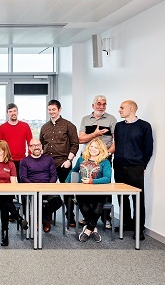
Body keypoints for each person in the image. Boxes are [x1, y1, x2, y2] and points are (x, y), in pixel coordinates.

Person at [113, 100, 153, 241]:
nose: (119, 110)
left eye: (122, 107)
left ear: (131, 109)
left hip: (135, 167)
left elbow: (148, 149)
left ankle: (138, 228)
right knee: (122, 198)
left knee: (137, 199)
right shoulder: (118, 126)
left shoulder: (144, 126)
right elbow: (116, 145)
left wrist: (143, 166)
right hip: (118, 166)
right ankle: (127, 223)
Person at [78, 95, 117, 228]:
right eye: (99, 104)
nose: (101, 106)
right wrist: (95, 134)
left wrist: (106, 155)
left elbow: (115, 141)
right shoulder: (85, 119)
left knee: (104, 187)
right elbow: (81, 139)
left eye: (104, 104)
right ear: (93, 105)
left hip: (105, 158)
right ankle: (88, 217)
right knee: (86, 187)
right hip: (87, 158)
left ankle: (106, 218)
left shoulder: (111, 119)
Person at [40, 100, 79, 227]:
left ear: (59, 110)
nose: (51, 112)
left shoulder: (69, 126)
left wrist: (69, 160)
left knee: (68, 192)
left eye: (54, 109)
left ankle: (70, 216)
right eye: (49, 109)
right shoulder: (44, 127)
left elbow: (75, 144)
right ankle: (47, 217)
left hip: (64, 163)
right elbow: (41, 145)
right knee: (46, 191)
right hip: (47, 165)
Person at [65, 138, 112, 243]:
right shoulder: (82, 159)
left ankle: (87, 230)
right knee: (85, 208)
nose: (93, 149)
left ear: (101, 149)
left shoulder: (105, 162)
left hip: (100, 192)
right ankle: (94, 229)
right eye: (91, 146)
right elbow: (74, 171)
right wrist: (66, 183)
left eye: (96, 147)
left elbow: (107, 178)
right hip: (83, 192)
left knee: (96, 209)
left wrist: (91, 181)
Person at [19, 138, 61, 233]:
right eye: (33, 145)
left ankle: (41, 219)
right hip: (32, 189)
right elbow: (23, 177)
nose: (36, 147)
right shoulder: (24, 161)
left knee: (58, 201)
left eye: (38, 145)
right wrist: (35, 188)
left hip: (47, 188)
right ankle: (45, 220)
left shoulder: (49, 159)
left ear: (41, 146)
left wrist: (48, 187)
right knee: (35, 201)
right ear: (29, 148)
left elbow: (54, 175)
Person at [0, 103, 33, 180]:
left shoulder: (25, 126)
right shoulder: (2, 128)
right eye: (10, 111)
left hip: (22, 160)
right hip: (7, 160)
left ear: (17, 112)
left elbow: (30, 143)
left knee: (23, 183)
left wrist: (30, 158)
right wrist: (0, 159)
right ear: (7, 113)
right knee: (7, 184)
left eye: (14, 111)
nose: (13, 113)